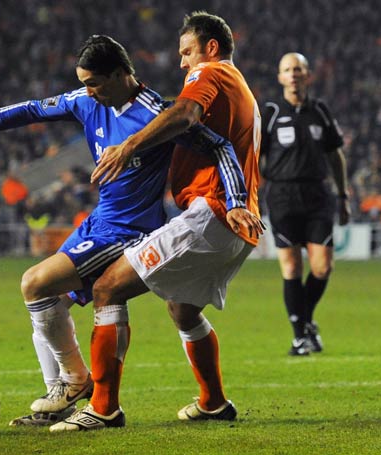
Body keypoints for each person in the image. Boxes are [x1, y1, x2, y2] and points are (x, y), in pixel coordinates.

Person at [0, 35, 238, 426]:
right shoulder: (85, 100)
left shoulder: (157, 113)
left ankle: (75, 383)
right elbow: (30, 110)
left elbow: (219, 146)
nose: (87, 90)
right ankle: (63, 397)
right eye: (84, 82)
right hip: (100, 220)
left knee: (34, 283)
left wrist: (238, 201)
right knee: (49, 303)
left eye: (94, 82)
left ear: (122, 74)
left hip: (130, 230)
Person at [50, 11, 265, 431]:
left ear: (212, 48)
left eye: (187, 52)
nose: (183, 62)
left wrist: (129, 145)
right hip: (238, 223)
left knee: (108, 287)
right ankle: (214, 403)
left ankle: (103, 408)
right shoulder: (243, 90)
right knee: (182, 310)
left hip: (213, 214)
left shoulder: (213, 74)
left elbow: (184, 114)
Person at [259, 52, 350, 356]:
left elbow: (335, 154)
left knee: (323, 267)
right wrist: (252, 196)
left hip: (317, 196)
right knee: (291, 267)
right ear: (280, 77)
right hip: (282, 196)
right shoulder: (270, 112)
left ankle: (306, 321)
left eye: (298, 69)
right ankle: (300, 336)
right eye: (287, 69)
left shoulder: (320, 111)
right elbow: (256, 158)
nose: (293, 74)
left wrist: (343, 195)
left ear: (308, 75)